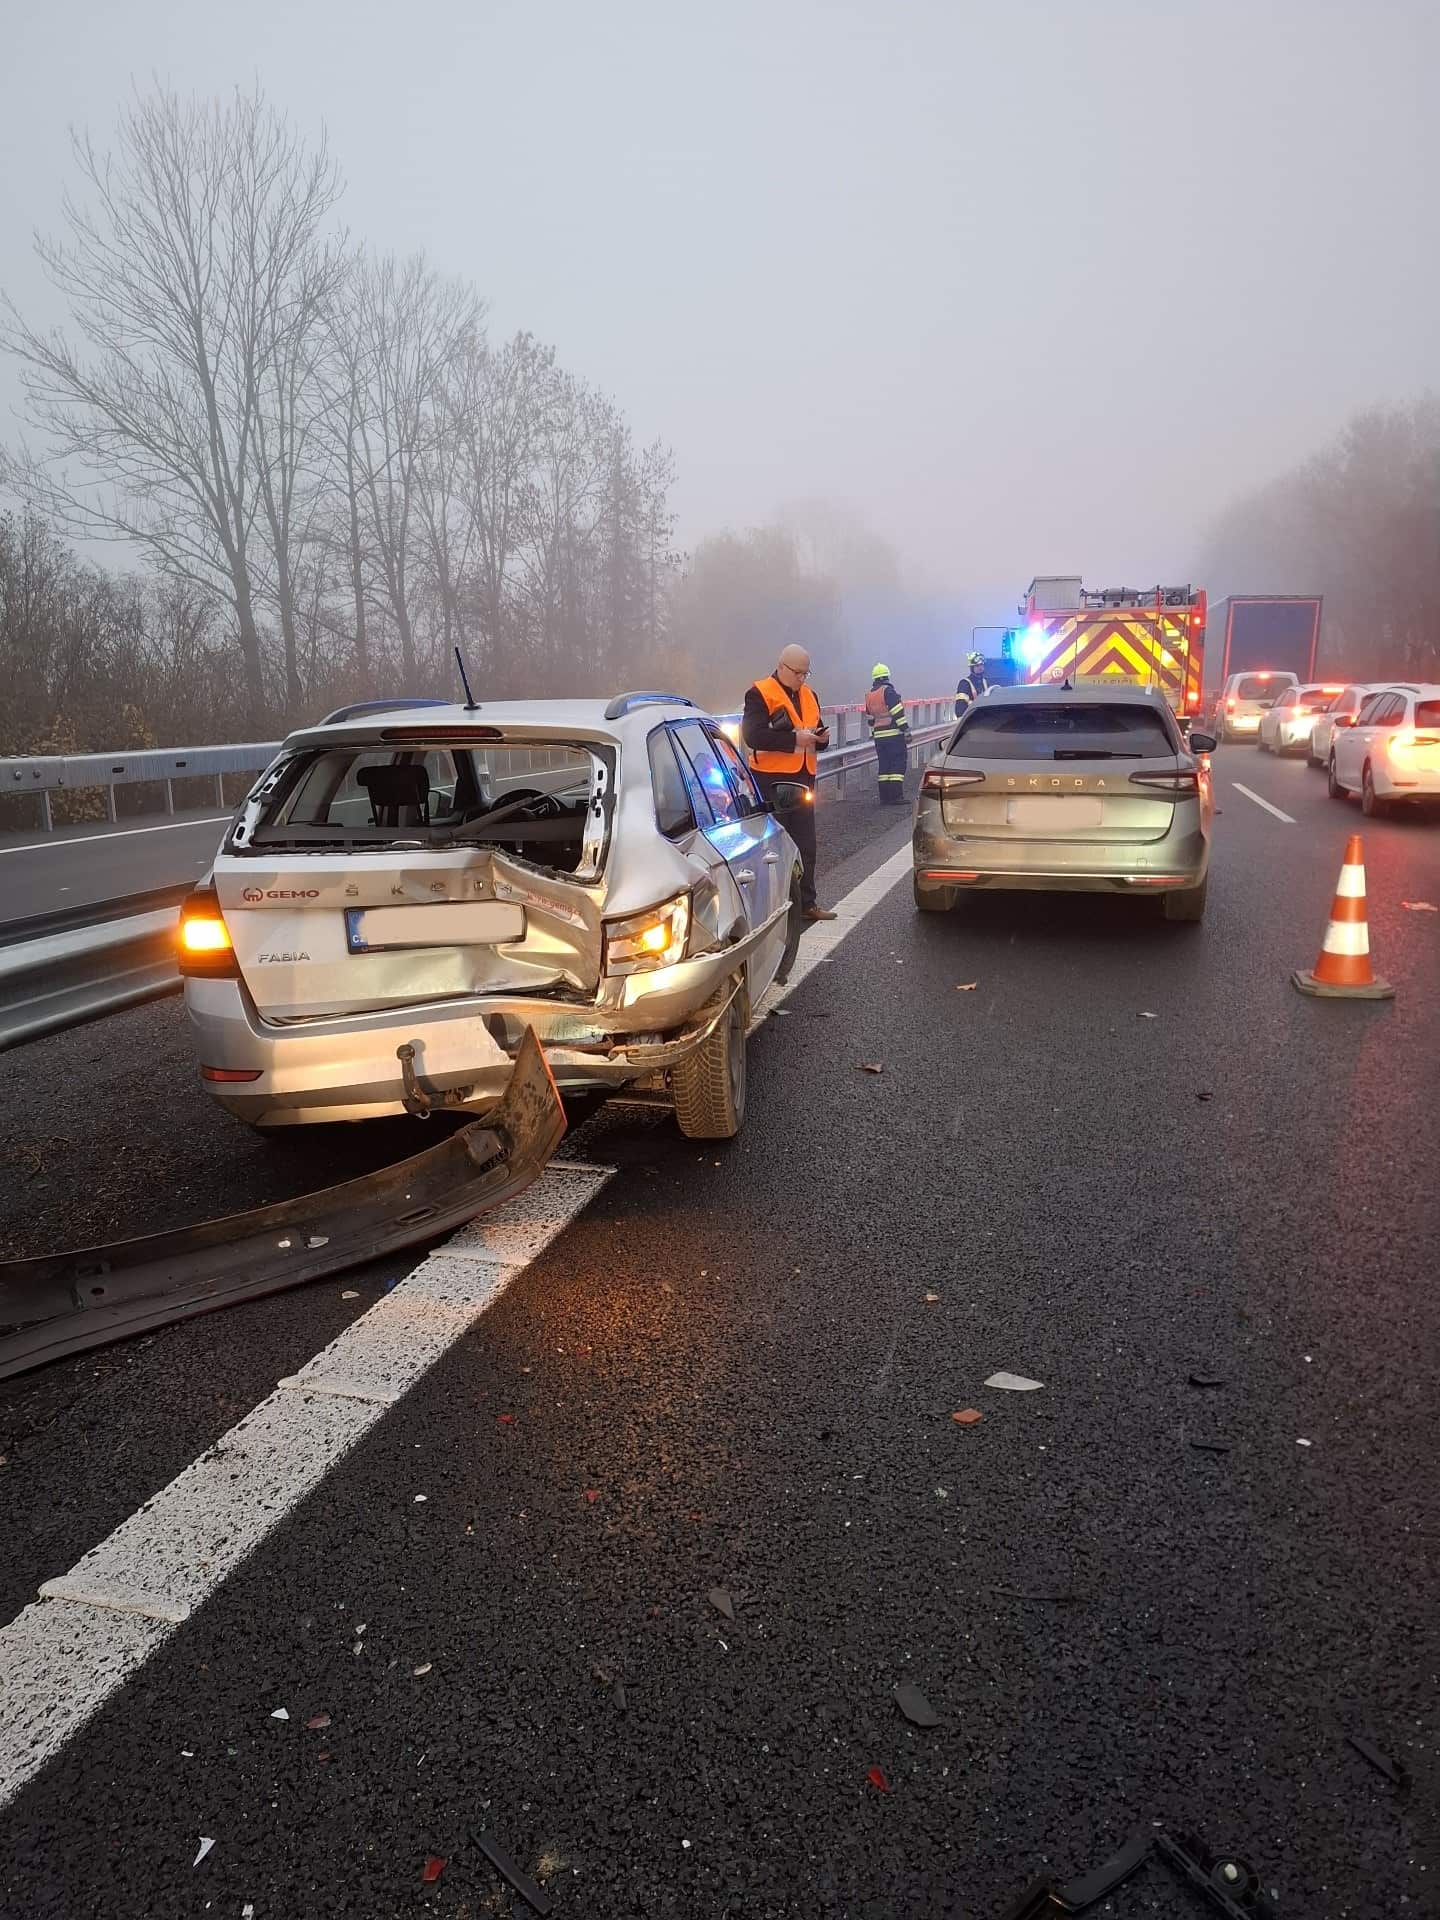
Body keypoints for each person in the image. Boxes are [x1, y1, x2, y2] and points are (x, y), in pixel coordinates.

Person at [742, 643, 836, 920]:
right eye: (798, 673)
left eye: (806, 673)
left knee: (806, 844)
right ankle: (772, 909)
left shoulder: (809, 695)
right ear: (781, 667)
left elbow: (814, 734)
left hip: (803, 779)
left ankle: (806, 903)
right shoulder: (759, 694)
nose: (802, 678)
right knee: (773, 848)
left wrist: (821, 740)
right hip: (771, 783)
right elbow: (753, 736)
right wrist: (795, 739)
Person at [864, 662, 911, 804]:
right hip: (894, 735)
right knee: (897, 764)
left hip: (879, 737)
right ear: (887, 677)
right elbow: (898, 713)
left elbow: (870, 719)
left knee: (884, 766)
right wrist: (906, 730)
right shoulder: (888, 691)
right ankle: (896, 797)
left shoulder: (869, 695)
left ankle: (884, 798)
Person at [954, 649, 990, 719]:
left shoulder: (985, 682)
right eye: (977, 666)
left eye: (982, 665)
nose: (980, 668)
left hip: (984, 719)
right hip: (971, 719)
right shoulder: (964, 683)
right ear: (972, 667)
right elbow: (960, 709)